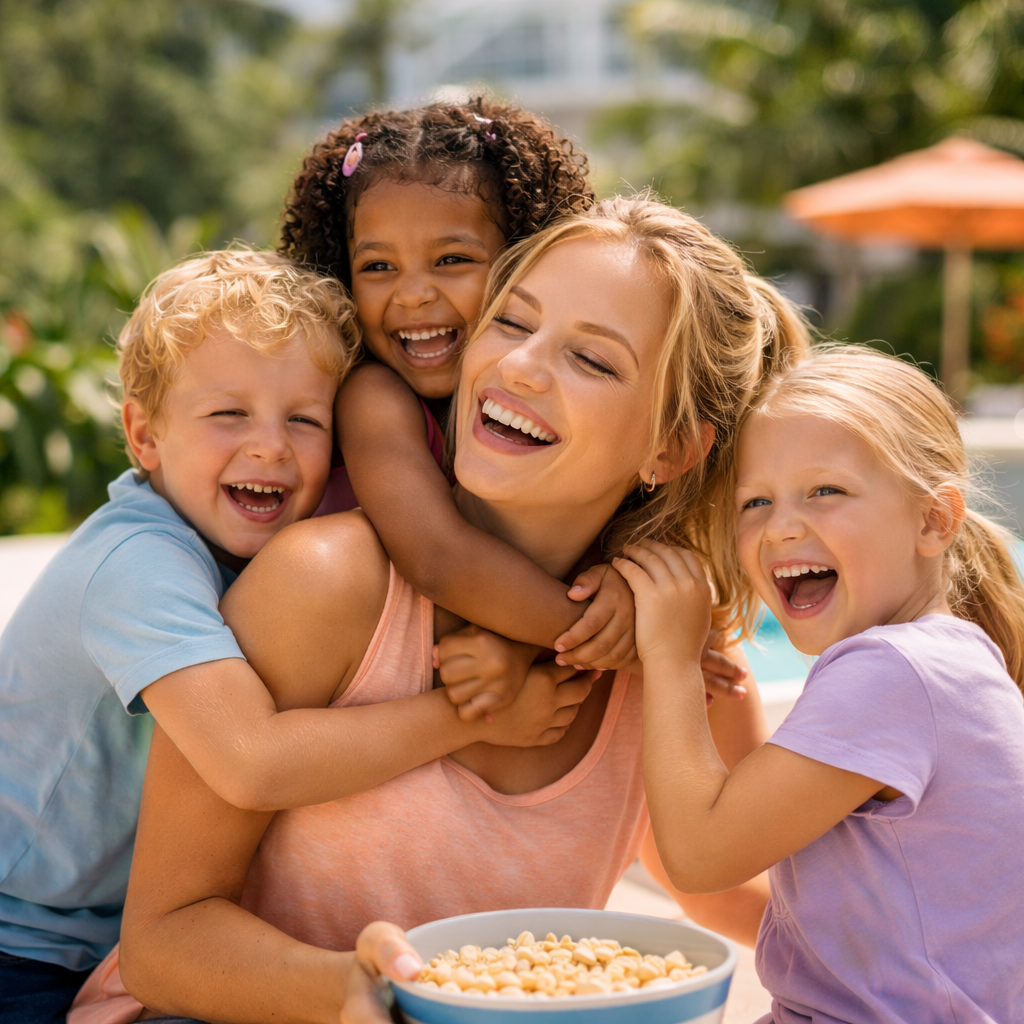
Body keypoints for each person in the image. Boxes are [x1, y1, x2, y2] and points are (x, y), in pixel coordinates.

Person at [69, 193, 809, 1024]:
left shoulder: (668, 644)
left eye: (592, 361)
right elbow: (164, 945)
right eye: (510, 322)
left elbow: (721, 889)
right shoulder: (326, 585)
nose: (521, 367)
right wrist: (361, 991)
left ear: (670, 449)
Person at [0, 250, 565, 1024]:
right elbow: (251, 761)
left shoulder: (240, 552)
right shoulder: (137, 566)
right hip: (18, 949)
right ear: (143, 434)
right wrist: (470, 716)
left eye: (303, 420)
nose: (270, 446)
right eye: (228, 414)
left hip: (86, 943)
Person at [282, 98, 746, 717]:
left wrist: (619, 592)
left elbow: (538, 548)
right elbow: (439, 558)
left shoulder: (536, 424)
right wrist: (616, 640)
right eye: (376, 266)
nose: (414, 293)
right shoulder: (372, 396)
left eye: (451, 260)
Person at [617, 346, 1024, 1024]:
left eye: (824, 491)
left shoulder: (891, 673)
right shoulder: (948, 663)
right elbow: (729, 894)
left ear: (933, 520)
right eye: (755, 501)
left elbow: (701, 856)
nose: (780, 526)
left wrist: (671, 658)